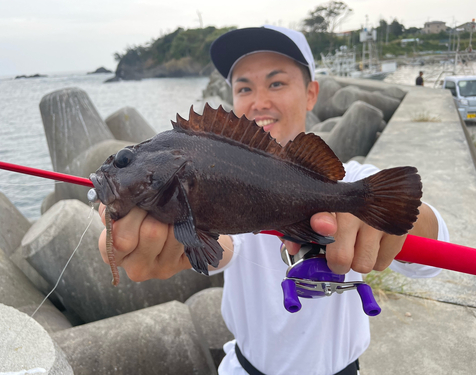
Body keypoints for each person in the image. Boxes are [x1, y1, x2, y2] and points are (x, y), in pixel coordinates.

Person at [97, 26, 449, 375]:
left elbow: (432, 252)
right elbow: (224, 244)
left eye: (276, 83)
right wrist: (167, 245)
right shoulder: (182, 178)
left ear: (312, 94)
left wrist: (400, 223)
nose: (259, 101)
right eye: (244, 88)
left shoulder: (351, 180)